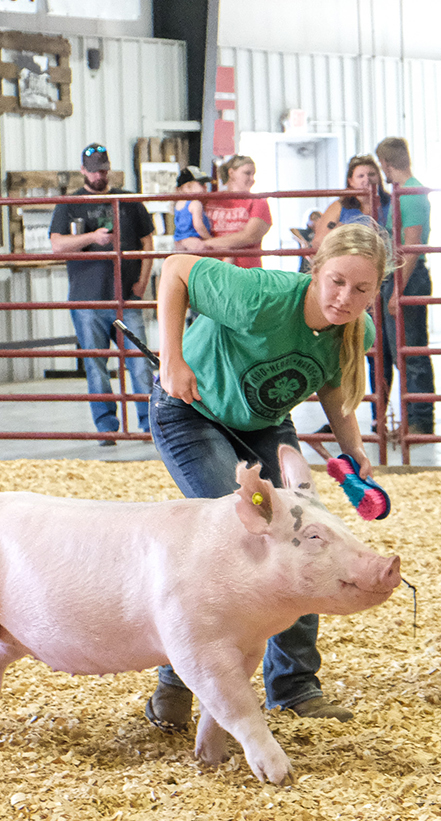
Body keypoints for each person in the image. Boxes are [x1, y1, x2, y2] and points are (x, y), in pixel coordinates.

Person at [142, 221, 387, 730]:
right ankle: (179, 679)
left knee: (305, 535)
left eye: (361, 289)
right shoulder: (260, 298)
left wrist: (353, 447)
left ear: (375, 292)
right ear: (315, 270)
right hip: (191, 412)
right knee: (233, 537)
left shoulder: (354, 329)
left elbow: (333, 386)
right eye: (337, 281)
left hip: (264, 423)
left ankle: (295, 685)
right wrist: (172, 359)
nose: (345, 298)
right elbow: (175, 270)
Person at [47, 143, 154, 444]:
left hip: (126, 296)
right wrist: (92, 237)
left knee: (140, 363)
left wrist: (142, 281)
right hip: (87, 298)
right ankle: (107, 427)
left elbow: (148, 241)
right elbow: (57, 245)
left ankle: (150, 425)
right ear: (83, 170)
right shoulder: (69, 204)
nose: (99, 176)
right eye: (94, 171)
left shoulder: (129, 200)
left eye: (103, 170)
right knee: (96, 366)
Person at [374, 136, 435, 436]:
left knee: (410, 351)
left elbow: (411, 246)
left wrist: (398, 290)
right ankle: (413, 418)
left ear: (386, 163)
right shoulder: (404, 192)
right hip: (398, 275)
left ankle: (420, 420)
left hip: (406, 277)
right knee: (401, 352)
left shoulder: (411, 194)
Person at [201, 155, 272, 268]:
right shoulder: (209, 200)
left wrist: (205, 244)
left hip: (244, 270)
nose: (252, 179)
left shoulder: (258, 201)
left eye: (253, 174)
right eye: (247, 173)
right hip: (211, 267)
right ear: (231, 173)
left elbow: (250, 236)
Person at [318, 153, 385, 240]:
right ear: (350, 181)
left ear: (379, 177)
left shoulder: (392, 203)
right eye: (361, 176)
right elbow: (319, 241)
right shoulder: (338, 207)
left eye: (371, 174)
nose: (367, 179)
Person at [172, 164, 212, 253]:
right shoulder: (195, 204)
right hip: (195, 240)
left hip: (180, 241)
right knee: (224, 252)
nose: (205, 187)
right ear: (187, 187)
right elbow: (198, 225)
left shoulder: (179, 204)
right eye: (201, 184)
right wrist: (209, 238)